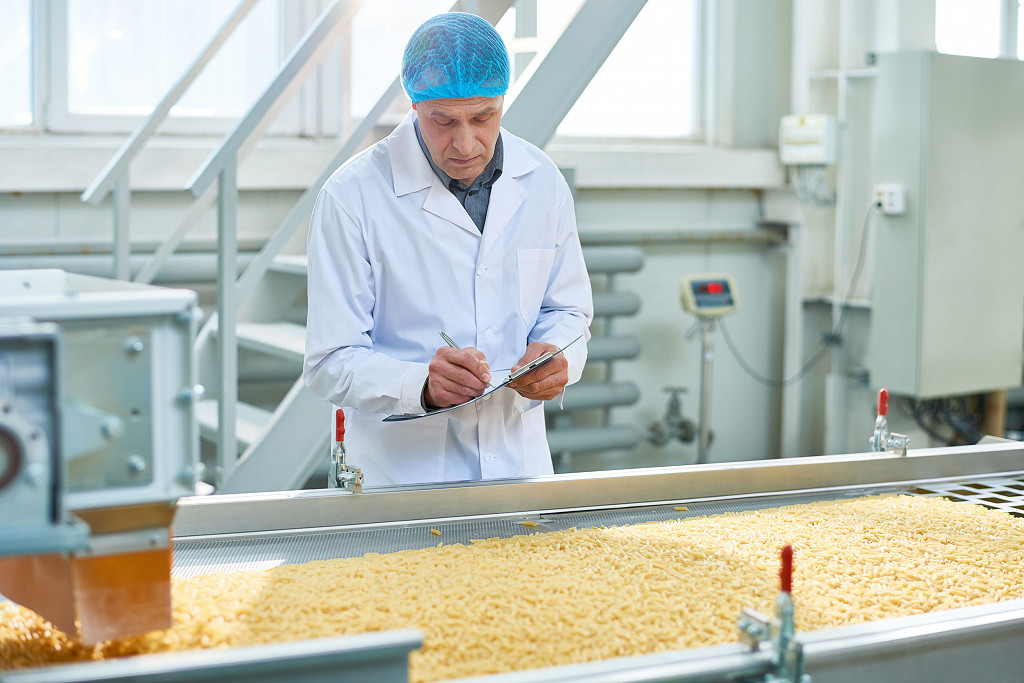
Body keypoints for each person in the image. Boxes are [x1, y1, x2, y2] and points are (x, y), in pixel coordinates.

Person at [303, 12, 593, 486]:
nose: (465, 143)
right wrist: (421, 386)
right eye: (443, 121)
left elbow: (568, 311)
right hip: (401, 481)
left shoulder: (542, 181)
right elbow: (329, 360)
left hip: (518, 470)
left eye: (483, 117)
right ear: (414, 107)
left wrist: (558, 356)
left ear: (502, 101)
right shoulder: (352, 196)